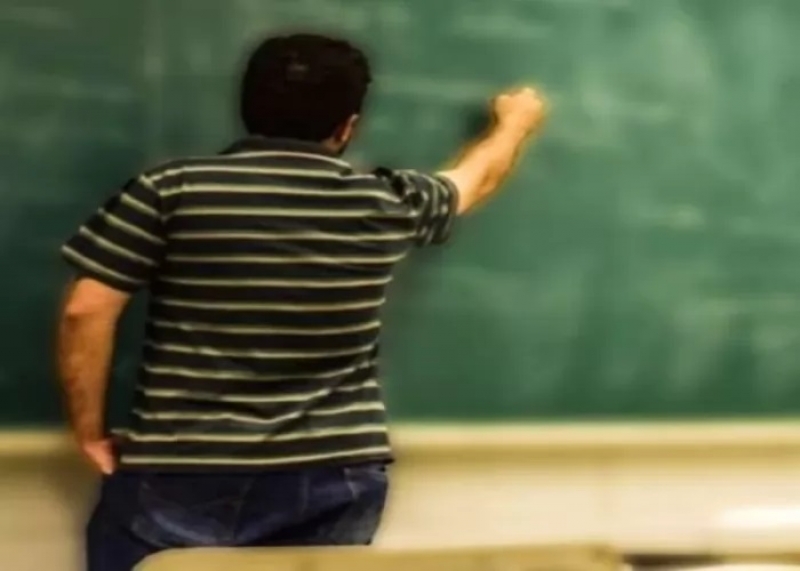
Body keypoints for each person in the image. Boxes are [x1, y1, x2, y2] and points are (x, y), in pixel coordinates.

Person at [55, 33, 546, 571]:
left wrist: (89, 432)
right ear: (347, 126)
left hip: (185, 464)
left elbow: (87, 309)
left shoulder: (169, 190)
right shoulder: (387, 201)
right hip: (334, 470)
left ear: (246, 107)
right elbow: (476, 179)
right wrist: (515, 122)